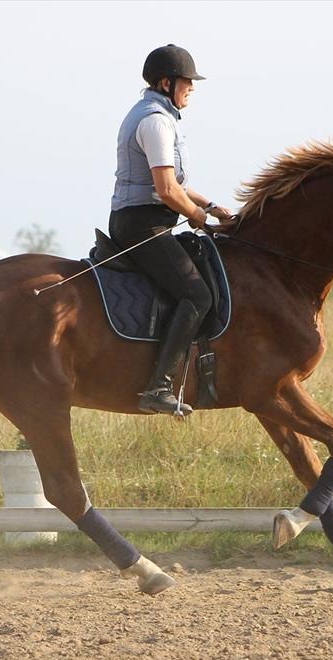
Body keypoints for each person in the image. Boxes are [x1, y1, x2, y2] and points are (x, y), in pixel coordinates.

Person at [110, 44, 236, 416]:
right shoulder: (154, 122)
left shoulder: (161, 117)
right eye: (187, 82)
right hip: (141, 225)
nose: (191, 89)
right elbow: (166, 190)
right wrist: (197, 215)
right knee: (197, 296)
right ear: (166, 83)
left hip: (150, 219)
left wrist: (211, 206)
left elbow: (176, 184)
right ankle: (158, 387)